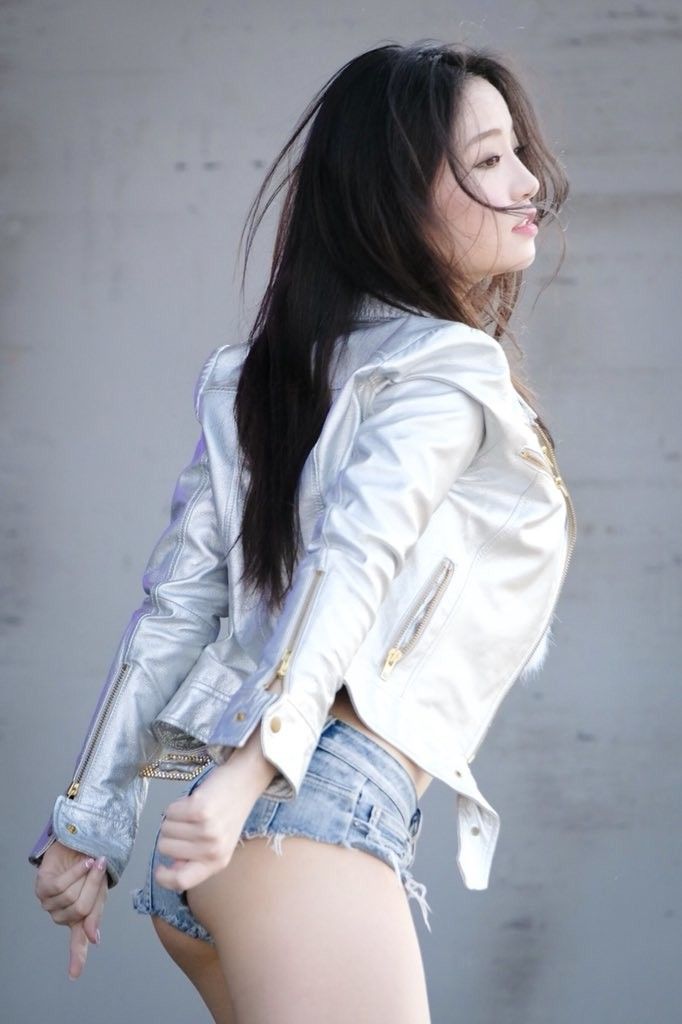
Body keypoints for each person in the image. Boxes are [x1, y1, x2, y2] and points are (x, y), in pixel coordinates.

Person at [30, 40, 576, 1024]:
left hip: (230, 837)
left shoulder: (271, 374)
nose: (528, 180)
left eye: (516, 153)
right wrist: (252, 774)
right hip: (297, 821)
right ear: (396, 199)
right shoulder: (447, 369)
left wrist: (93, 821)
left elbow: (179, 615)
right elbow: (351, 564)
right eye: (489, 160)